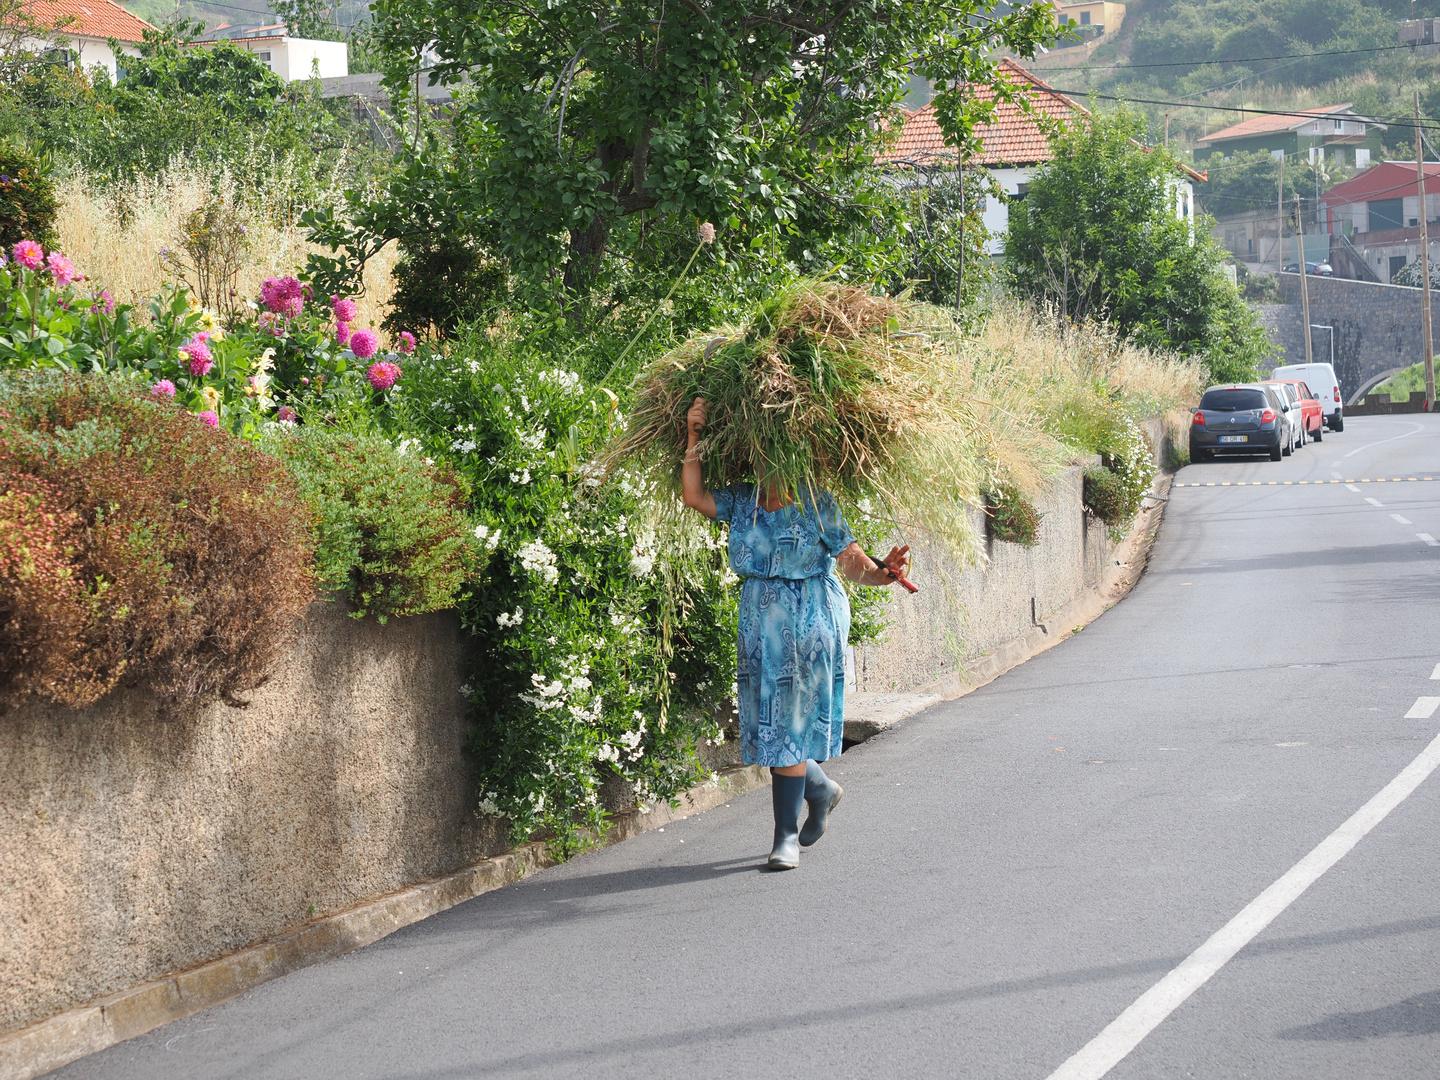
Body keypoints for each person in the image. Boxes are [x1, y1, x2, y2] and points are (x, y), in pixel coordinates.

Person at [680, 397, 911, 870]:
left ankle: (785, 836)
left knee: (786, 724)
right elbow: (693, 496)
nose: (768, 460)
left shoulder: (816, 503)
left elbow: (853, 564)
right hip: (759, 620)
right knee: (775, 724)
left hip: (810, 620)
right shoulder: (742, 498)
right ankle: (819, 788)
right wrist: (693, 437)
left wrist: (884, 573)